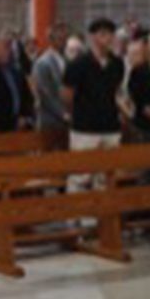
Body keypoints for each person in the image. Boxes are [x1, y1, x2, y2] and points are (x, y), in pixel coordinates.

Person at [62, 18, 126, 192]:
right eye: (103, 34)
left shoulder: (117, 64)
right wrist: (74, 113)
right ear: (93, 37)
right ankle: (77, 214)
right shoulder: (78, 64)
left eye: (110, 34)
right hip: (85, 127)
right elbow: (67, 95)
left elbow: (116, 91)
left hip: (110, 125)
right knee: (81, 174)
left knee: (105, 175)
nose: (108, 39)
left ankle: (102, 215)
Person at [0, 37, 34, 133]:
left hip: (20, 127)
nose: (4, 52)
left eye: (6, 49)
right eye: (0, 49)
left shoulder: (17, 73)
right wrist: (13, 122)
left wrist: (26, 117)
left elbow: (27, 97)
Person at [32, 23, 71, 149]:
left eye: (65, 38)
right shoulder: (43, 63)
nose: (63, 41)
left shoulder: (67, 60)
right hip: (50, 119)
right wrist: (62, 113)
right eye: (60, 38)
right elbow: (45, 93)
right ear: (51, 39)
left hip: (68, 120)